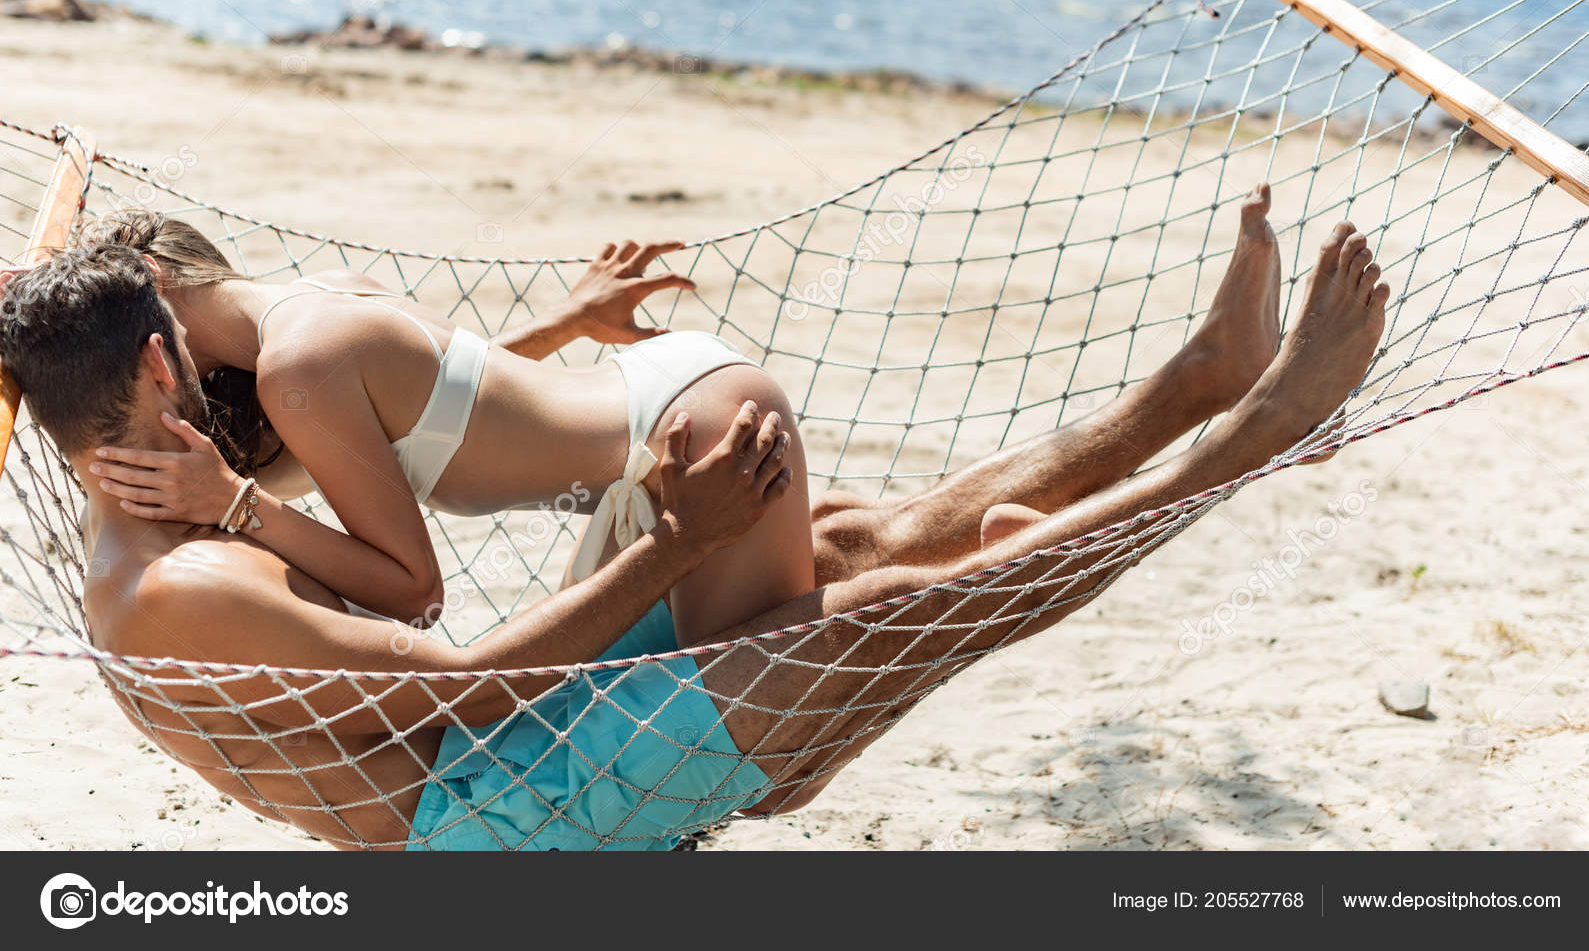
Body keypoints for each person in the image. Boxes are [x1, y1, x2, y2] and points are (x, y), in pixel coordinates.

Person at [0, 192, 1391, 849]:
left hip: (509, 767)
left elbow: (385, 463)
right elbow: (474, 686)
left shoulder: (161, 523)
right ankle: (1254, 436)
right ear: (159, 363)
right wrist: (670, 536)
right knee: (894, 611)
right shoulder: (179, 583)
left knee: (845, 555)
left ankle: (1200, 398)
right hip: (505, 818)